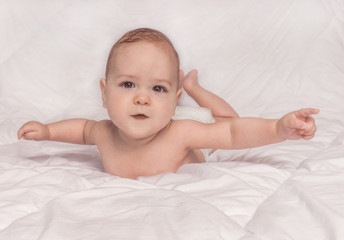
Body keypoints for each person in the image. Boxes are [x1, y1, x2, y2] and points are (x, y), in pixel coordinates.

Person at [17, 28, 319, 179]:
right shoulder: (104, 132)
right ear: (104, 94)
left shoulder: (182, 133)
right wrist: (46, 131)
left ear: (174, 102)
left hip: (205, 132)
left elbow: (232, 134)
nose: (142, 97)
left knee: (225, 120)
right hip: (174, 116)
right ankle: (182, 85)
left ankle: (192, 87)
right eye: (127, 84)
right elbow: (80, 129)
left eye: (158, 88)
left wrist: (278, 128)